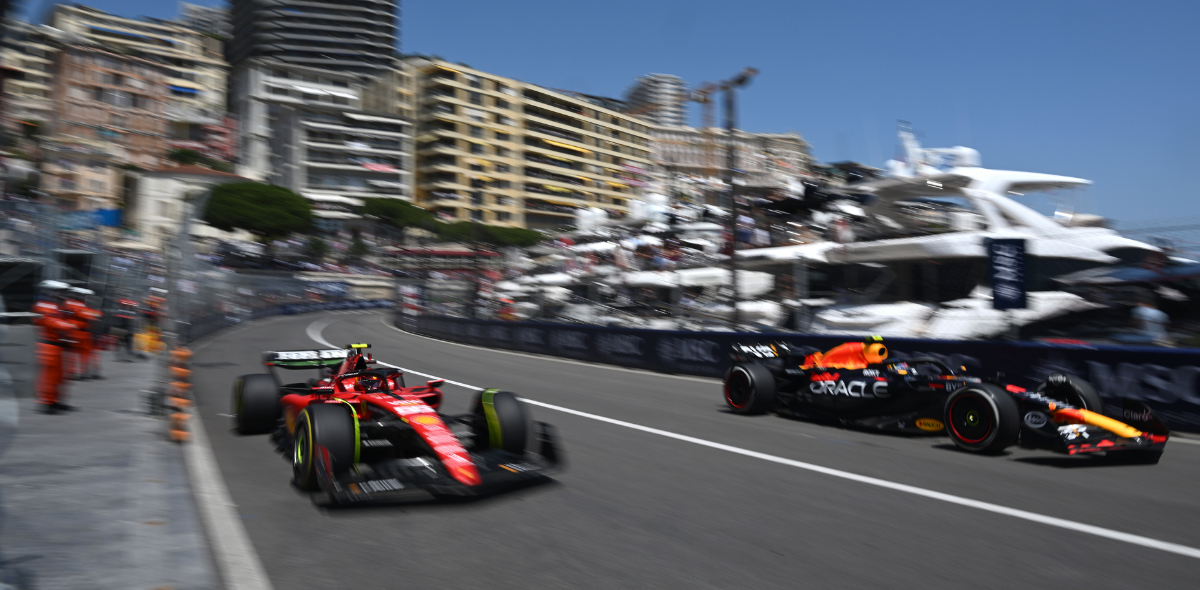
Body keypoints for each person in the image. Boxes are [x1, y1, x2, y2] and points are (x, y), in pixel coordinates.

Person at [32, 281, 79, 414]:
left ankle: (54, 400)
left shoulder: (53, 306)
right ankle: (46, 403)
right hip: (48, 346)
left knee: (57, 377)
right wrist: (69, 326)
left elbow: (61, 320)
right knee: (48, 377)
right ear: (50, 291)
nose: (61, 295)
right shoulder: (42, 306)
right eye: (58, 292)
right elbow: (53, 322)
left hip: (56, 345)